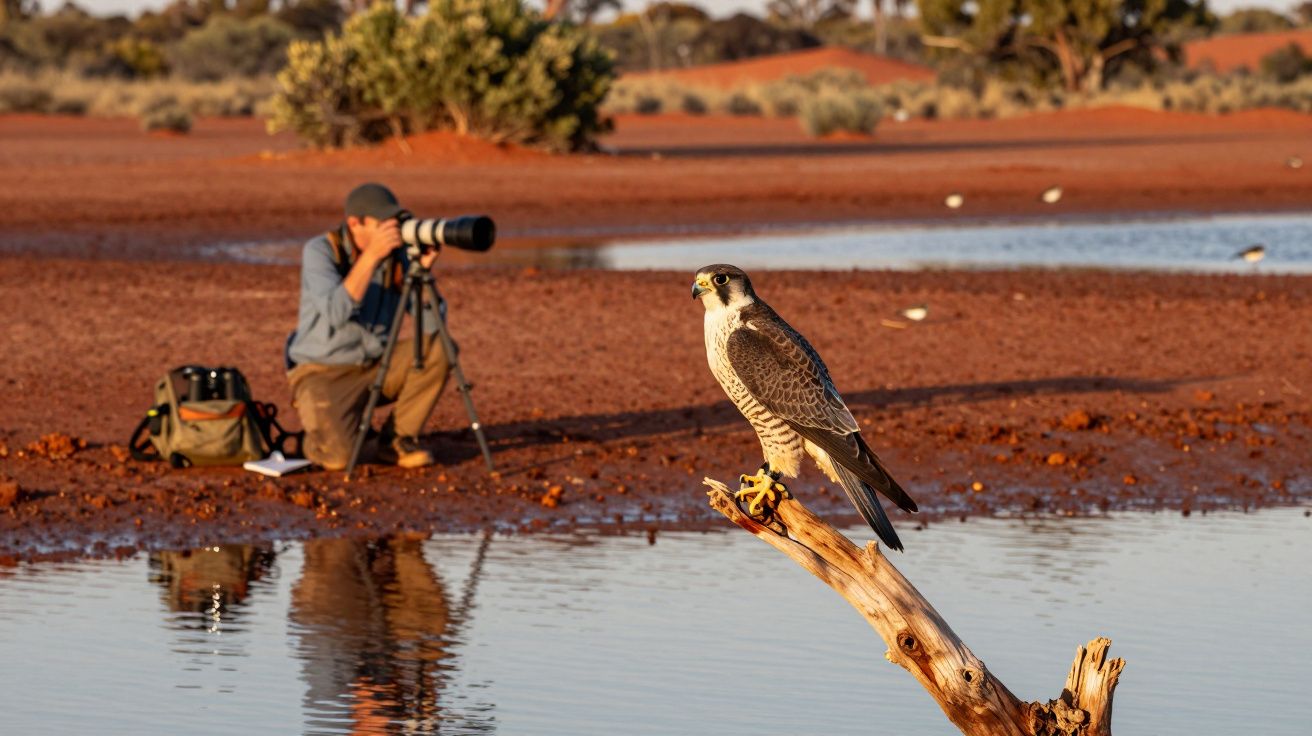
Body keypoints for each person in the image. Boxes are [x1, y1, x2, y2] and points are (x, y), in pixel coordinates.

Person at [286, 183, 451, 470]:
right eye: (382, 223)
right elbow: (337, 312)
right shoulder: (321, 251)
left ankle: (395, 441)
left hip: (377, 367)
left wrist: (422, 273)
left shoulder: (398, 257)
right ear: (355, 223)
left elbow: (432, 325)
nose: (391, 230)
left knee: (440, 349)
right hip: (323, 372)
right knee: (339, 460)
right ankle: (310, 441)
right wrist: (371, 257)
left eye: (394, 222)